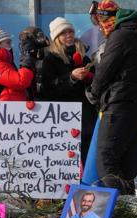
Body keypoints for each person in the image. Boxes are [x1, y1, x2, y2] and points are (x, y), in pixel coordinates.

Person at [90, 7, 137, 194]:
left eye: (101, 21)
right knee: (128, 162)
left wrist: (93, 92)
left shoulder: (120, 36)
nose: (101, 26)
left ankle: (117, 210)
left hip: (118, 105)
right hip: (135, 105)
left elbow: (105, 71)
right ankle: (134, 208)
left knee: (106, 159)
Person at [40, 17, 97, 164]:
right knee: (68, 157)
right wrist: (71, 77)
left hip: (86, 113)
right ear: (56, 37)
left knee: (87, 151)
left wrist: (89, 77)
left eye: (70, 31)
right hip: (64, 115)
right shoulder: (50, 59)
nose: (69, 35)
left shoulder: (83, 55)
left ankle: (87, 184)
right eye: (64, 33)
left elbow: (95, 81)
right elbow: (48, 89)